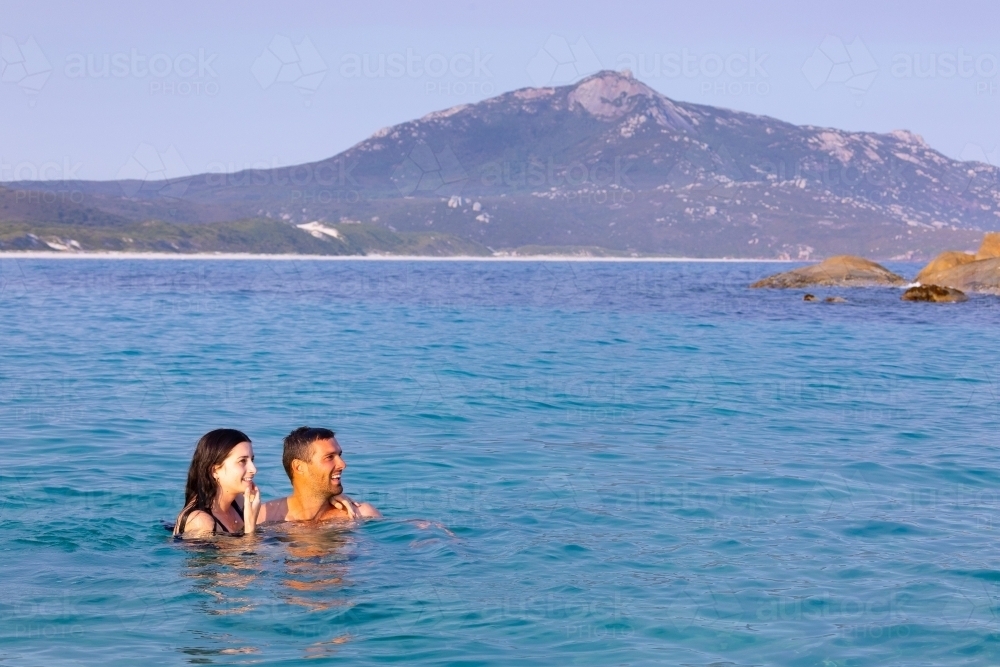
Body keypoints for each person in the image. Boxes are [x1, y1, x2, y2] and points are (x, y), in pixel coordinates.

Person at [261, 426, 380, 523]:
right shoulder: (264, 517)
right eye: (329, 457)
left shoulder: (360, 515)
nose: (342, 464)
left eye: (339, 455)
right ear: (299, 467)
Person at [174, 428, 262, 538]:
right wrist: (250, 528)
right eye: (242, 461)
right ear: (215, 471)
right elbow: (248, 554)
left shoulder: (238, 502)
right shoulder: (201, 522)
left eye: (251, 460)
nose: (253, 469)